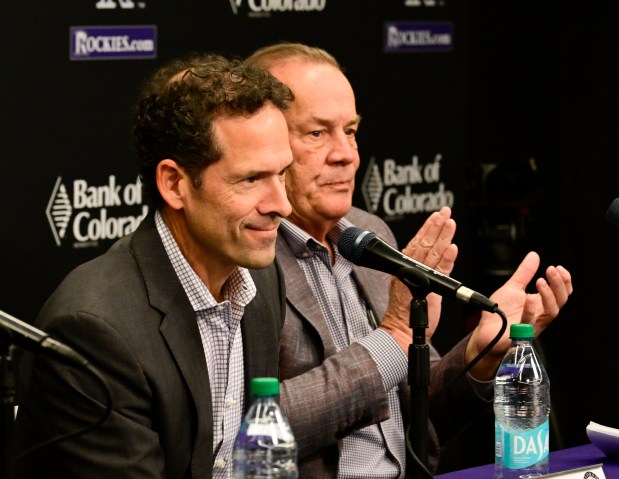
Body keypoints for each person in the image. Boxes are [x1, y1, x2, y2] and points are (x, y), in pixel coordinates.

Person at [246, 42, 573, 478]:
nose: (346, 153)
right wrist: (393, 335)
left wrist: (480, 353)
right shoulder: (246, 255)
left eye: (352, 130)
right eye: (317, 133)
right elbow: (250, 429)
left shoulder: (369, 234)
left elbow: (420, 412)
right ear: (264, 144)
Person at [13, 53, 294, 479]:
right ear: (174, 183)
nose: (282, 205)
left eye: (283, 174)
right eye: (251, 179)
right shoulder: (96, 330)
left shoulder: (260, 278)